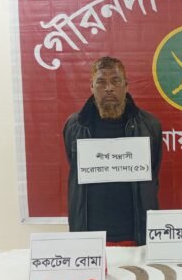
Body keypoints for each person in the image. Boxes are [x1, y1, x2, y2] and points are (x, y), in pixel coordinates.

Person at [63, 56, 162, 246]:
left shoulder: (150, 126)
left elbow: (153, 175)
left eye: (116, 81)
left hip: (137, 236)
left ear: (126, 85)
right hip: (90, 238)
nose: (109, 88)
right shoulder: (74, 126)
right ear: (91, 86)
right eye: (101, 82)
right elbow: (75, 170)